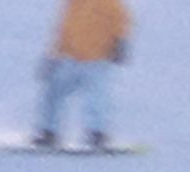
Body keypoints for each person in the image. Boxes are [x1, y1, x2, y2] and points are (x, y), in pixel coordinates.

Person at [34, 0, 133, 150]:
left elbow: (121, 23)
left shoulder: (109, 3)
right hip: (70, 58)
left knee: (97, 97)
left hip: (96, 59)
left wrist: (120, 45)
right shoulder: (72, 4)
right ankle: (49, 132)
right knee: (53, 92)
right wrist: (53, 57)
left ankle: (97, 133)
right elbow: (63, 31)